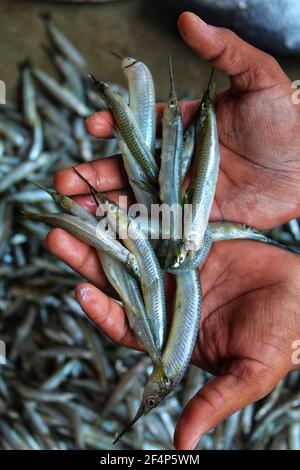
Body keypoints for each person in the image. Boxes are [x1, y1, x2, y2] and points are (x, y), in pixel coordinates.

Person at [46, 12, 300, 450]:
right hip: (161, 228)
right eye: (152, 399)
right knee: (134, 207)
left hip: (160, 231)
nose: (150, 396)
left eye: (151, 399)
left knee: (131, 220)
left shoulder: (170, 323)